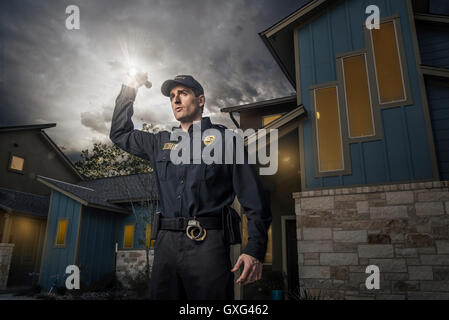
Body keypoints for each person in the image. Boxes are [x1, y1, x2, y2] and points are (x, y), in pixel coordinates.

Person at [110, 72, 272, 300]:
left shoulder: (227, 141)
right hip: (165, 245)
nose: (176, 100)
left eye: (183, 94)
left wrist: (254, 250)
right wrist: (129, 88)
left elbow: (254, 199)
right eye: (172, 96)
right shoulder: (159, 143)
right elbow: (119, 133)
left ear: (201, 100)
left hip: (208, 245)